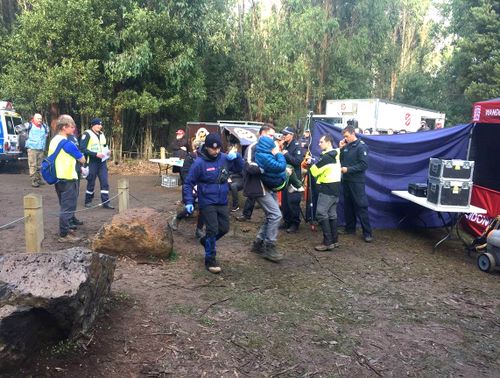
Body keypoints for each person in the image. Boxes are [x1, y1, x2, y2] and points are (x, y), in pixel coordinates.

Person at [183, 133, 243, 273]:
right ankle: (210, 259)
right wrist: (189, 201)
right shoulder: (199, 163)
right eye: (213, 149)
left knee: (224, 228)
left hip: (222, 199)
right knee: (212, 229)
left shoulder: (224, 158)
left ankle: (206, 241)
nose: (216, 151)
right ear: (207, 147)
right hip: (207, 200)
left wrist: (238, 157)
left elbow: (240, 168)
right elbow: (188, 183)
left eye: (218, 149)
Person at [243, 124, 284, 262]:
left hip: (268, 186)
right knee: (276, 215)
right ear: (262, 134)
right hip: (258, 187)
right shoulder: (253, 147)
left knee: (270, 215)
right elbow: (248, 166)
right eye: (270, 135)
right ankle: (269, 246)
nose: (273, 138)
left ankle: (258, 243)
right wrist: (263, 169)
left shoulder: (269, 148)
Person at [47, 115, 86, 242]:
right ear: (64, 127)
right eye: (72, 126)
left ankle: (67, 229)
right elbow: (82, 158)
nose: (74, 129)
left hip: (58, 178)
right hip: (68, 177)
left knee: (64, 204)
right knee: (68, 207)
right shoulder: (67, 143)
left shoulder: (53, 140)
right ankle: (64, 234)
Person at [339, 125, 373, 243]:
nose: (345, 138)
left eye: (347, 136)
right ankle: (350, 229)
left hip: (357, 182)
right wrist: (341, 148)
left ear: (353, 134)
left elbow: (363, 165)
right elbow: (341, 160)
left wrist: (348, 170)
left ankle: (367, 233)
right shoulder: (347, 146)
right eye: (344, 137)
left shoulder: (361, 146)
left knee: (361, 206)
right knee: (348, 205)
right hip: (347, 181)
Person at [308, 134, 341, 251]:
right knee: (332, 214)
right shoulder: (336, 154)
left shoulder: (326, 158)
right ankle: (334, 240)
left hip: (327, 189)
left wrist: (311, 163)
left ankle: (327, 242)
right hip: (336, 189)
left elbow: (314, 171)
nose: (319, 143)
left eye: (321, 142)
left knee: (321, 213)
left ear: (328, 143)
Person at [170, 138, 204, 238]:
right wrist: (193, 185)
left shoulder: (206, 158)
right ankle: (177, 218)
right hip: (191, 187)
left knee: (204, 208)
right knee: (190, 209)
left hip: (202, 187)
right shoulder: (190, 157)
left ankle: (199, 229)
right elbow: (184, 173)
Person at [80, 118, 114, 209]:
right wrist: (95, 154)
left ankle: (106, 202)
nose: (100, 126)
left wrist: (108, 151)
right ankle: (88, 201)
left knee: (104, 182)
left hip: (102, 162)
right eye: (98, 124)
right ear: (93, 125)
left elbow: (104, 145)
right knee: (91, 182)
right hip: (91, 161)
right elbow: (82, 148)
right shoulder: (87, 134)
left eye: (101, 124)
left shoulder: (102, 134)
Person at [279, 126, 303, 234]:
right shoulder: (285, 145)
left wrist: (286, 154)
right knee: (284, 201)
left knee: (292, 201)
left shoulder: (297, 146)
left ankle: (295, 223)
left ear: (291, 135)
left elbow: (297, 162)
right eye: (283, 134)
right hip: (285, 177)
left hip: (294, 178)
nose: (284, 136)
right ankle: (287, 221)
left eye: (286, 134)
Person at [25, 113, 49, 187]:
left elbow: (47, 134)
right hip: (32, 148)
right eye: (38, 118)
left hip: (41, 148)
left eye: (41, 119)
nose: (40, 120)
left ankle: (39, 179)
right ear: (34, 119)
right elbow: (17, 129)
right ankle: (33, 180)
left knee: (39, 165)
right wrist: (25, 136)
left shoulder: (44, 126)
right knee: (33, 165)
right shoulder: (29, 125)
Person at [227, 143, 244, 212]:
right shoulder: (227, 158)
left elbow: (241, 169)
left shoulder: (238, 156)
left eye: (233, 149)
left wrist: (234, 154)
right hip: (231, 177)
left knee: (233, 186)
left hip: (240, 178)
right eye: (230, 149)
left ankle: (235, 205)